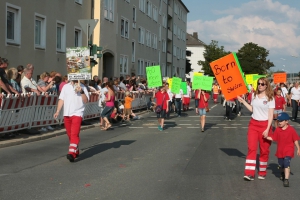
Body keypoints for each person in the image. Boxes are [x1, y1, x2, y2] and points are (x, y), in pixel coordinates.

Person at [237, 77, 275, 181]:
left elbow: (271, 115)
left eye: (262, 84)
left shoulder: (270, 97)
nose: (260, 85)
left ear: (266, 85)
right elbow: (252, 109)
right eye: (259, 83)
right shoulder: (254, 95)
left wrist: (267, 129)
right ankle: (249, 173)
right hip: (253, 124)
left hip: (265, 125)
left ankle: (262, 172)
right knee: (252, 148)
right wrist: (244, 102)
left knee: (264, 150)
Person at [53, 80, 89, 162]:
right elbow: (61, 99)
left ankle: (71, 153)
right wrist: (58, 111)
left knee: (74, 133)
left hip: (77, 113)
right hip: (67, 113)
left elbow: (86, 100)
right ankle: (75, 150)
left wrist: (82, 91)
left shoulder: (83, 86)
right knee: (70, 134)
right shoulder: (66, 86)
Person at [265, 112, 300, 187]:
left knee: (286, 164)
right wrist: (266, 137)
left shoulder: (291, 130)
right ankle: (282, 173)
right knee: (281, 165)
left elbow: (295, 140)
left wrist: (298, 148)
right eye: (278, 121)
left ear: (286, 121)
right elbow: (273, 138)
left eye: (281, 121)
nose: (279, 122)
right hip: (280, 151)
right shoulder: (278, 130)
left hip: (289, 150)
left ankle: (286, 180)